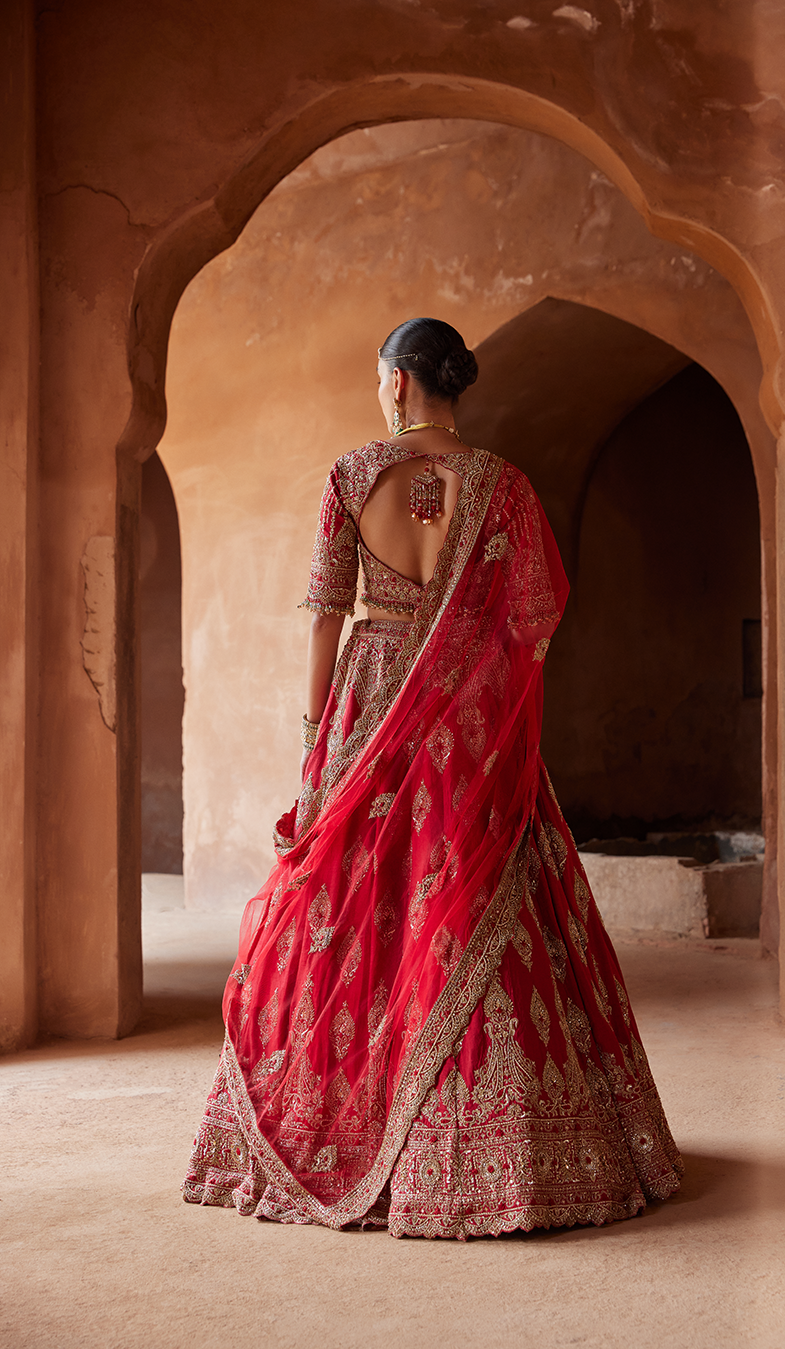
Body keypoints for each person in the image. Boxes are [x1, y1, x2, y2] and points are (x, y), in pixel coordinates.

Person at [183, 317, 683, 1238]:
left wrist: (316, 741)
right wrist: (476, 691)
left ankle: (341, 1123)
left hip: (369, 705)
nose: (381, 392)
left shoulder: (351, 477)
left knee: (355, 902)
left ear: (400, 383)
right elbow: (532, 622)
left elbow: (325, 614)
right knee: (473, 892)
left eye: (382, 379)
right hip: (468, 718)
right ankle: (514, 1149)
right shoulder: (505, 487)